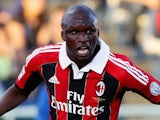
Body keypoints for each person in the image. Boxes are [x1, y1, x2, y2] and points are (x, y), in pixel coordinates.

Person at [0, 4, 160, 120]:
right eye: (74, 32)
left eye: (89, 31)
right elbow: (19, 91)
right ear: (62, 34)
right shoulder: (42, 59)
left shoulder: (120, 69)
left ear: (98, 33)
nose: (83, 39)